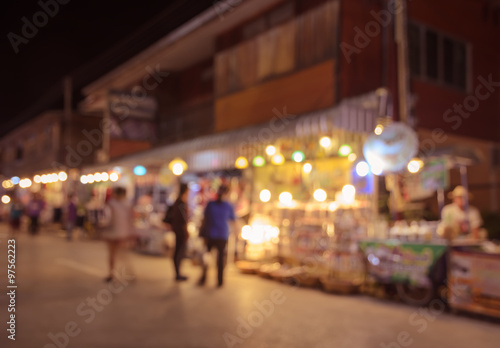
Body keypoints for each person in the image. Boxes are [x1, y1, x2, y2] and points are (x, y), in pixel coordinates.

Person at [198, 185, 235, 287]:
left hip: (216, 235)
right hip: (217, 235)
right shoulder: (226, 205)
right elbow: (233, 220)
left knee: (211, 258)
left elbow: (204, 219)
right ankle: (215, 280)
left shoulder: (214, 204)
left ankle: (211, 279)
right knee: (213, 258)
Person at [100, 187, 135, 282]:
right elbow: (130, 220)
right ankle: (129, 273)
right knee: (123, 254)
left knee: (112, 254)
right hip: (123, 233)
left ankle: (112, 274)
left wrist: (102, 226)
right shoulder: (127, 204)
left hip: (112, 233)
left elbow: (107, 219)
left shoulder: (111, 204)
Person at [164, 183, 190, 281]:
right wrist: (186, 229)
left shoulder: (178, 202)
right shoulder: (181, 203)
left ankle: (178, 272)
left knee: (179, 250)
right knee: (179, 251)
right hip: (180, 229)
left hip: (178, 229)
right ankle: (177, 273)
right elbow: (183, 218)